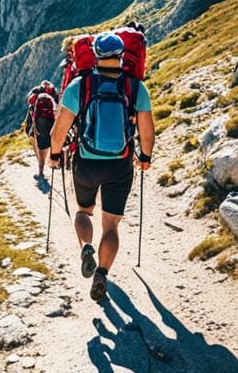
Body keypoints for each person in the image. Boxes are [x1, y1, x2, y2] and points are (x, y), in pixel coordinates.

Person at [49, 32, 155, 302]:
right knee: (111, 226)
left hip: (86, 162)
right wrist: (145, 158)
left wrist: (54, 154)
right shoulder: (135, 87)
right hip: (120, 165)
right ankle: (103, 273)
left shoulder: (80, 85)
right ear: (122, 57)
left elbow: (58, 132)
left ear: (94, 55)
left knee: (84, 212)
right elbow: (147, 133)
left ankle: (86, 247)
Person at [27, 87, 56, 179]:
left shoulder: (35, 101)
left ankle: (41, 172)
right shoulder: (50, 99)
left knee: (39, 149)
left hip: (39, 128)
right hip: (49, 127)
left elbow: (34, 117)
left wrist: (34, 129)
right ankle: (50, 162)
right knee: (46, 146)